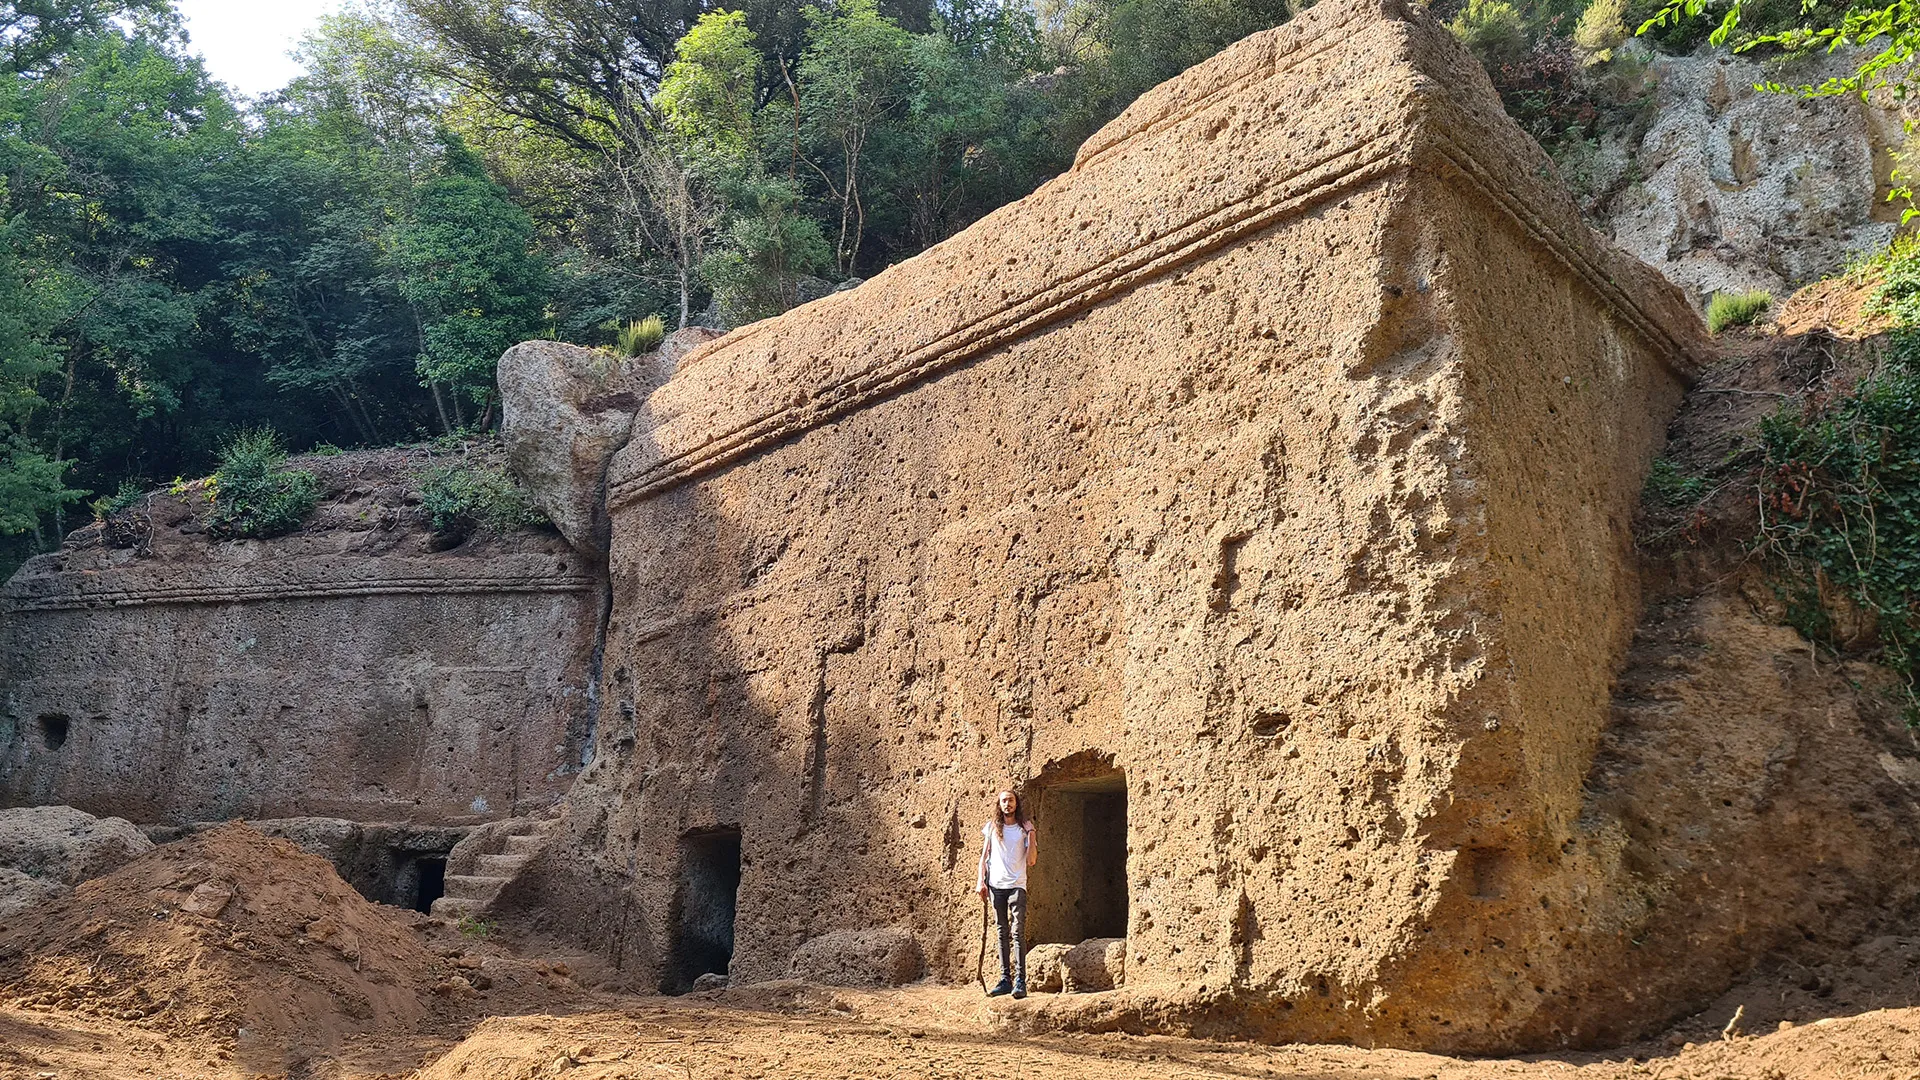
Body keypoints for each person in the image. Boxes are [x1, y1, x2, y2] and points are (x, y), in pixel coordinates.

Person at [975, 787, 1037, 999]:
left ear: (1016, 803)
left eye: (1010, 800)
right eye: (1003, 801)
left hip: (1017, 885)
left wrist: (1032, 833)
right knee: (1002, 931)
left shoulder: (1023, 829)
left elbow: (1031, 860)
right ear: (999, 804)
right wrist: (980, 881)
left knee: (1017, 932)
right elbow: (984, 857)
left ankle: (1020, 981)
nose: (1007, 804)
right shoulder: (992, 827)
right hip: (996, 886)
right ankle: (1005, 979)